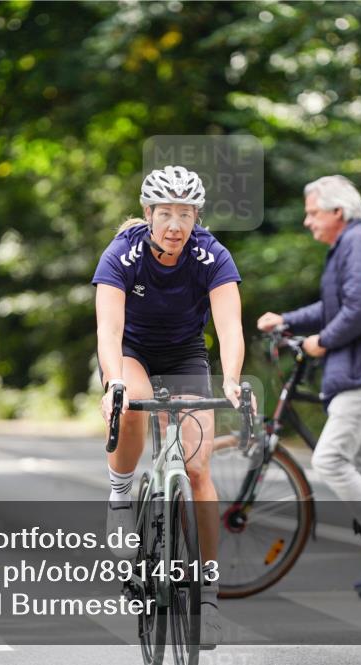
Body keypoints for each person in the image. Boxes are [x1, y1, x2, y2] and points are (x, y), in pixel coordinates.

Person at [93, 165, 247, 646]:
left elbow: (229, 328)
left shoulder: (210, 255)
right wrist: (114, 382)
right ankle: (121, 492)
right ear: (148, 214)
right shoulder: (123, 253)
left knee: (198, 469)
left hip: (184, 355)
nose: (175, 224)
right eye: (166, 214)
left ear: (197, 216)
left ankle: (207, 593)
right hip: (132, 352)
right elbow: (108, 331)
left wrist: (234, 380)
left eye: (185, 214)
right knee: (133, 405)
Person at [257, 175, 361, 599]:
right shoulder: (347, 248)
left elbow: (359, 310)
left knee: (331, 460)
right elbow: (334, 306)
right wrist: (288, 321)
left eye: (312, 212)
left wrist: (321, 342)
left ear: (338, 211)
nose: (306, 221)